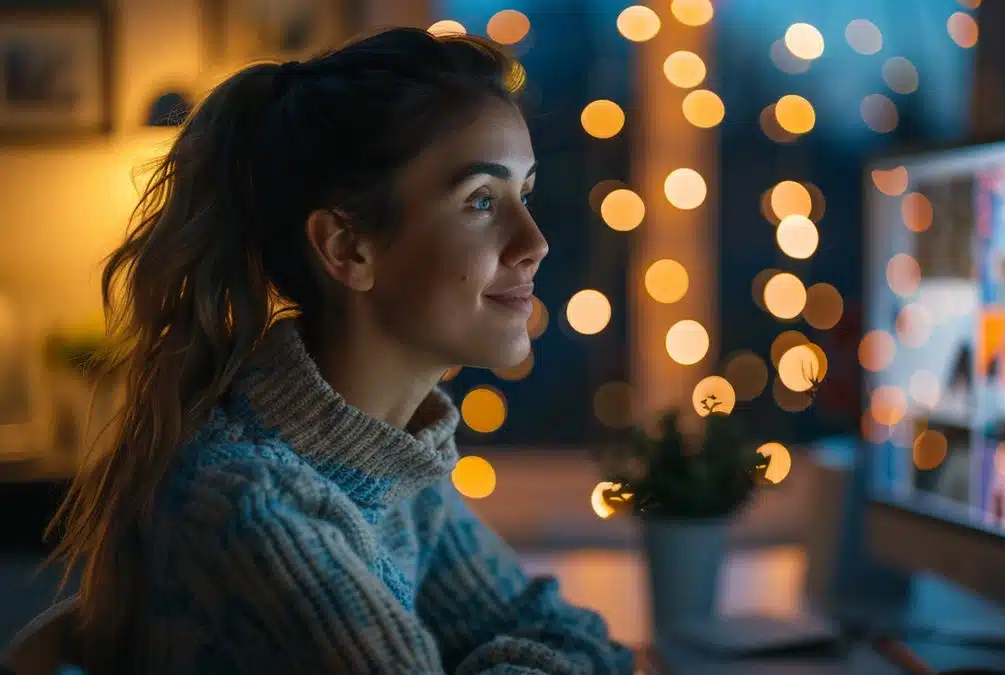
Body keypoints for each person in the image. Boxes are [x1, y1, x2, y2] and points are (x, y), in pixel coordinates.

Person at [46, 27, 634, 675]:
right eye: (480, 201)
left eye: (521, 196)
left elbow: (581, 638)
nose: (534, 241)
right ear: (347, 249)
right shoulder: (252, 503)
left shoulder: (396, 469)